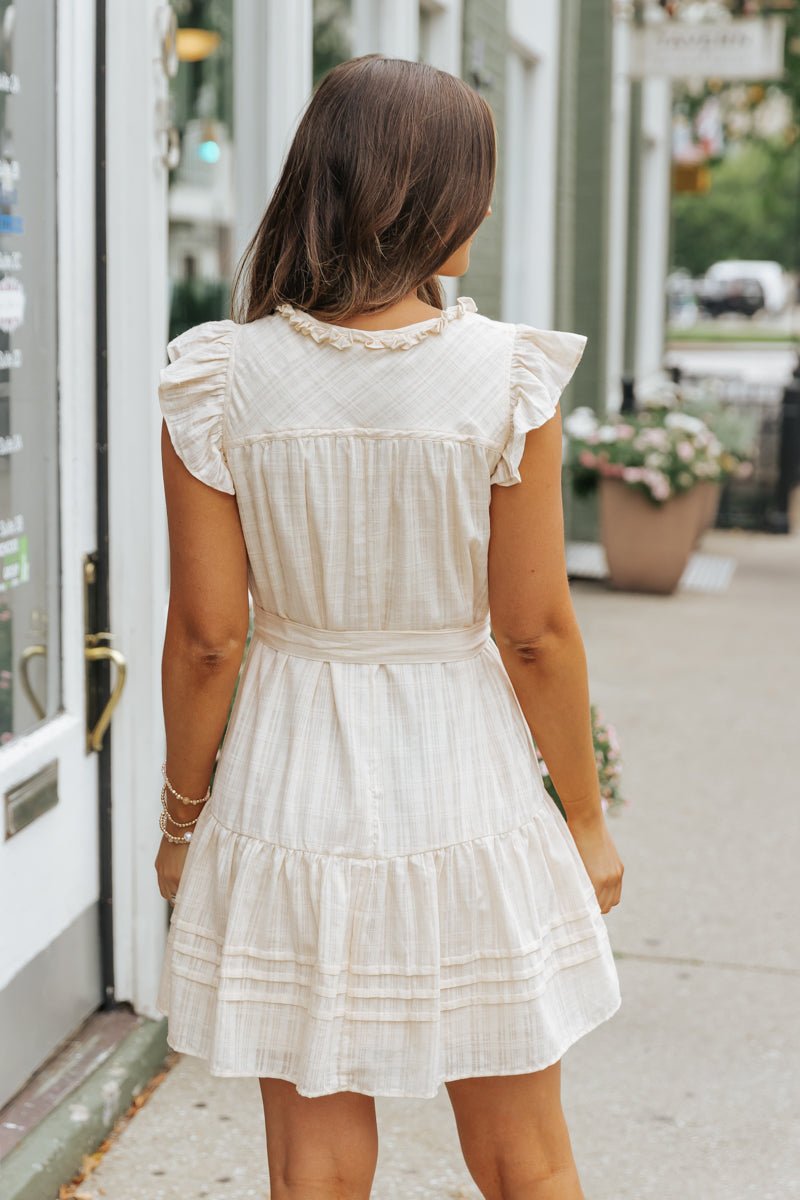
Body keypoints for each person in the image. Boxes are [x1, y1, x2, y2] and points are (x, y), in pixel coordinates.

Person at [154, 52, 623, 1200]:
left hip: (287, 780)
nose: (486, 205)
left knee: (311, 1162)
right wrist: (584, 819)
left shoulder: (221, 377)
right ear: (418, 195)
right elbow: (535, 634)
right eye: (475, 179)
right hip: (463, 780)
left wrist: (180, 819)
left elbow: (210, 637)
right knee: (524, 1153)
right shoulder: (504, 377)